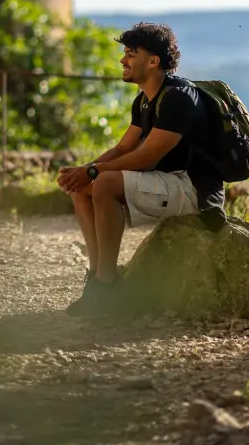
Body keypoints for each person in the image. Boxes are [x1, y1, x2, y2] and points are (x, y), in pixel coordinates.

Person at [57, 22, 225, 314]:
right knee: (82, 187)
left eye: (131, 54)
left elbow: (147, 156)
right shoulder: (144, 101)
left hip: (192, 189)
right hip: (167, 180)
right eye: (125, 53)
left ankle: (108, 288)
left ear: (153, 61)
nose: (123, 60)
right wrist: (83, 171)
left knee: (105, 183)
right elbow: (124, 148)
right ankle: (97, 278)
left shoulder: (179, 98)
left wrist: (96, 172)